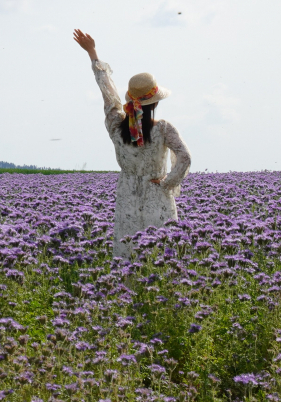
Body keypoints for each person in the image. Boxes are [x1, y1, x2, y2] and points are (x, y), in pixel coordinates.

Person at [73, 29, 192, 259]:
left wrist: (92, 53)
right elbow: (185, 157)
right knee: (160, 254)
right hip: (157, 197)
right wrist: (168, 182)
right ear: (154, 103)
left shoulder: (116, 126)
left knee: (128, 252)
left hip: (127, 195)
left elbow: (108, 95)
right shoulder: (164, 128)